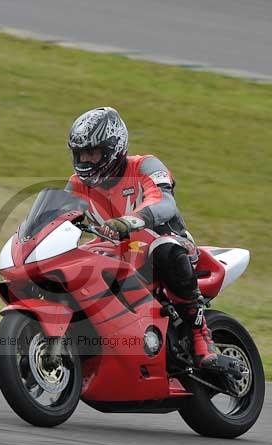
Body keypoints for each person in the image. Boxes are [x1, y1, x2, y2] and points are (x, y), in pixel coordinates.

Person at [64, 106, 222, 371]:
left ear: (113, 148)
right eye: (81, 154)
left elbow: (164, 202)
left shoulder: (145, 166)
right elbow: (58, 217)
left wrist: (129, 221)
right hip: (115, 255)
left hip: (168, 242)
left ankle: (200, 336)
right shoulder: (77, 185)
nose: (86, 160)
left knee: (164, 249)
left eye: (93, 153)